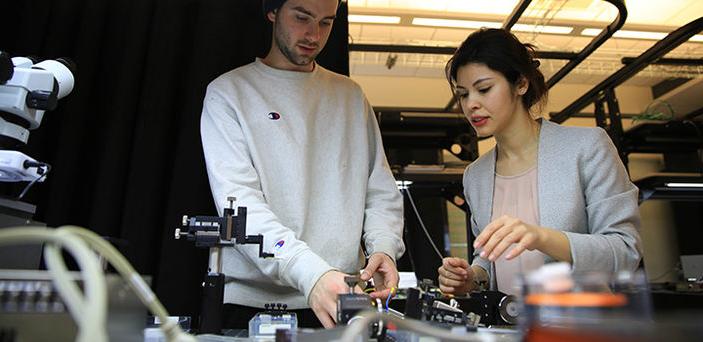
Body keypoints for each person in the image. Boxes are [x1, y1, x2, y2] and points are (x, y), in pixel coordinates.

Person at [199, 0, 404, 329]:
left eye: (326, 22)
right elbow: (240, 206)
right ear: (272, 11)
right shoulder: (229, 94)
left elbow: (379, 191)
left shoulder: (350, 96)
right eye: (302, 18)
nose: (314, 34)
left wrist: (384, 247)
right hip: (251, 305)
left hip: (340, 297)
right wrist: (312, 273)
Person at [437, 28, 642, 296]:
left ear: (521, 84)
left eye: (484, 89)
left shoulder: (587, 146)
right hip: (511, 330)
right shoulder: (476, 175)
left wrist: (541, 237)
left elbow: (625, 251)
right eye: (463, 94)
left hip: (581, 329)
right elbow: (488, 257)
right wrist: (472, 277)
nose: (471, 104)